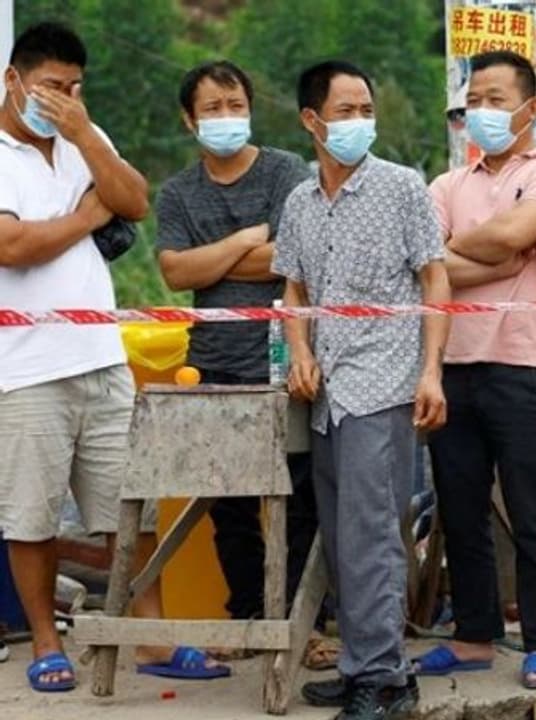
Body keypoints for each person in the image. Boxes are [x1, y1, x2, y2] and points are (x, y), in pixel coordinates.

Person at [0, 22, 226, 692]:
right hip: (25, 367)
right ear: (14, 80)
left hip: (101, 358)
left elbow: (132, 198)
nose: (63, 99)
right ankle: (47, 642)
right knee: (33, 516)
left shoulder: (80, 141)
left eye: (73, 87)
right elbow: (12, 247)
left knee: (131, 508)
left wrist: (86, 137)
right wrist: (86, 218)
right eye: (50, 87)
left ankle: (150, 637)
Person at [274, 60, 449, 720]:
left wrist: (430, 371)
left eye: (365, 110)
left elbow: (436, 281)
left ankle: (384, 678)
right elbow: (292, 289)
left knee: (374, 534)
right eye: (346, 111)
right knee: (343, 536)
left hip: (383, 381)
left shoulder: (402, 188)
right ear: (311, 121)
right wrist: (298, 351)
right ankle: (362, 668)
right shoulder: (297, 202)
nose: (359, 122)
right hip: (326, 392)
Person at [153, 60, 331, 664]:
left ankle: (306, 624)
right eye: (212, 109)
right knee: (228, 503)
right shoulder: (178, 191)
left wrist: (214, 258)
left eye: (235, 105)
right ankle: (250, 619)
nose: (226, 118)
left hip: (288, 359)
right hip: (213, 364)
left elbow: (292, 258)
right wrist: (244, 241)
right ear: (189, 119)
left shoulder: (286, 172)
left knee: (301, 495)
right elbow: (175, 273)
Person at [420, 50, 536, 690]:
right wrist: (493, 259)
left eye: (496, 98)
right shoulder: (444, 186)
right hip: (454, 361)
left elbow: (510, 237)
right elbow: (433, 266)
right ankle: (473, 637)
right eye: (474, 101)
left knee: (530, 509)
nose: (481, 112)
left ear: (530, 108)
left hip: (525, 360)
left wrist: (458, 256)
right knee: (460, 509)